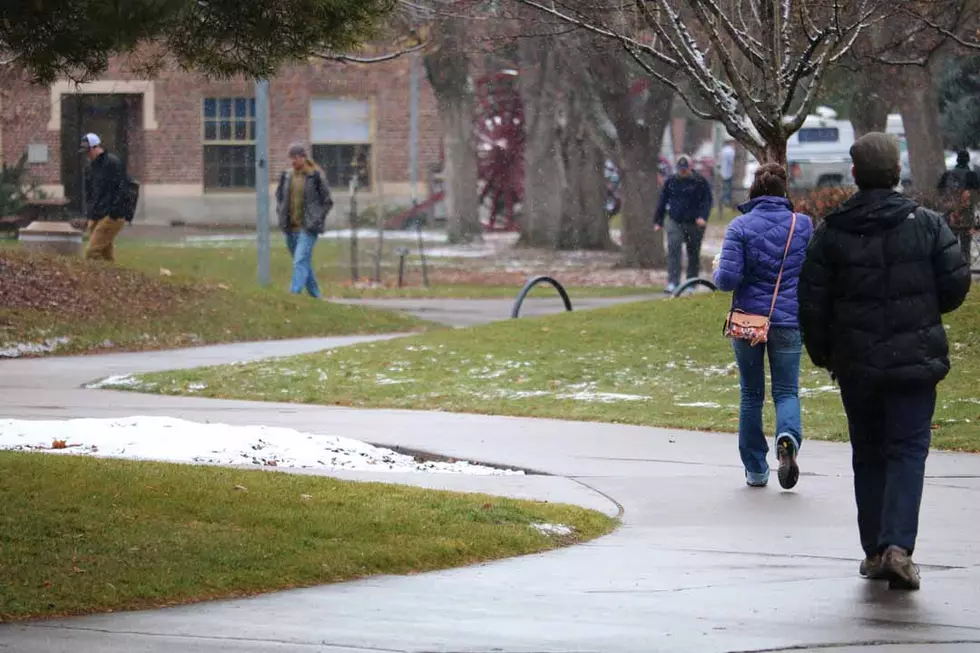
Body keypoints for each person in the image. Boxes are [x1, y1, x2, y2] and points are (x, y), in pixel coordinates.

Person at [798, 132, 971, 591]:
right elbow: (954, 286)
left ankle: (875, 549)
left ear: (855, 174)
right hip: (914, 362)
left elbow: (812, 303)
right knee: (908, 450)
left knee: (869, 453)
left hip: (857, 364)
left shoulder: (832, 232)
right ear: (897, 172)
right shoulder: (928, 225)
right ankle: (897, 546)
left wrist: (824, 352)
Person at [713, 163, 813, 489]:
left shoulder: (740, 227)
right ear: (784, 190)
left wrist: (718, 270)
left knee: (751, 394)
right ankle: (787, 438)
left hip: (748, 323)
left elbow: (727, 279)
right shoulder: (804, 226)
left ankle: (756, 470)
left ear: (754, 189)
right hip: (788, 320)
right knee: (786, 390)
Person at [275, 143, 333, 298]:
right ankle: (316, 296)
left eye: (295, 158)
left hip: (308, 228)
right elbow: (280, 198)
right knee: (303, 263)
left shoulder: (315, 176)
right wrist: (281, 214)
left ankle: (294, 293)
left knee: (299, 260)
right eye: (291, 158)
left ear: (303, 157)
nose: (292, 161)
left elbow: (327, 201)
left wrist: (315, 219)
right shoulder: (287, 176)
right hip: (290, 228)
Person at [653, 154, 713, 293]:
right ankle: (673, 282)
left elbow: (707, 201)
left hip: (695, 223)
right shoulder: (671, 181)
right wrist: (658, 220)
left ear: (690, 168)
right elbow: (663, 201)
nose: (683, 172)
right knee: (674, 249)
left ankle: (691, 283)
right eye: (681, 169)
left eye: (685, 169)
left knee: (693, 252)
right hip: (675, 221)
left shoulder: (700, 181)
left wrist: (702, 217)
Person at [80, 133, 127, 262]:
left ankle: (97, 279)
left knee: (91, 252)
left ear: (96, 147)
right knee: (106, 255)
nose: (87, 155)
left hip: (112, 215)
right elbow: (90, 193)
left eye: (88, 151)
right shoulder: (90, 168)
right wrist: (90, 214)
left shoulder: (113, 163)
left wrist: (114, 212)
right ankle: (113, 279)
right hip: (97, 215)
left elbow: (122, 189)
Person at [720, 140, 737, 207]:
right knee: (728, 187)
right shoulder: (730, 151)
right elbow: (731, 161)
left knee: (725, 186)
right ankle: (726, 200)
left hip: (723, 171)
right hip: (728, 172)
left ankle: (725, 199)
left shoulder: (723, 150)